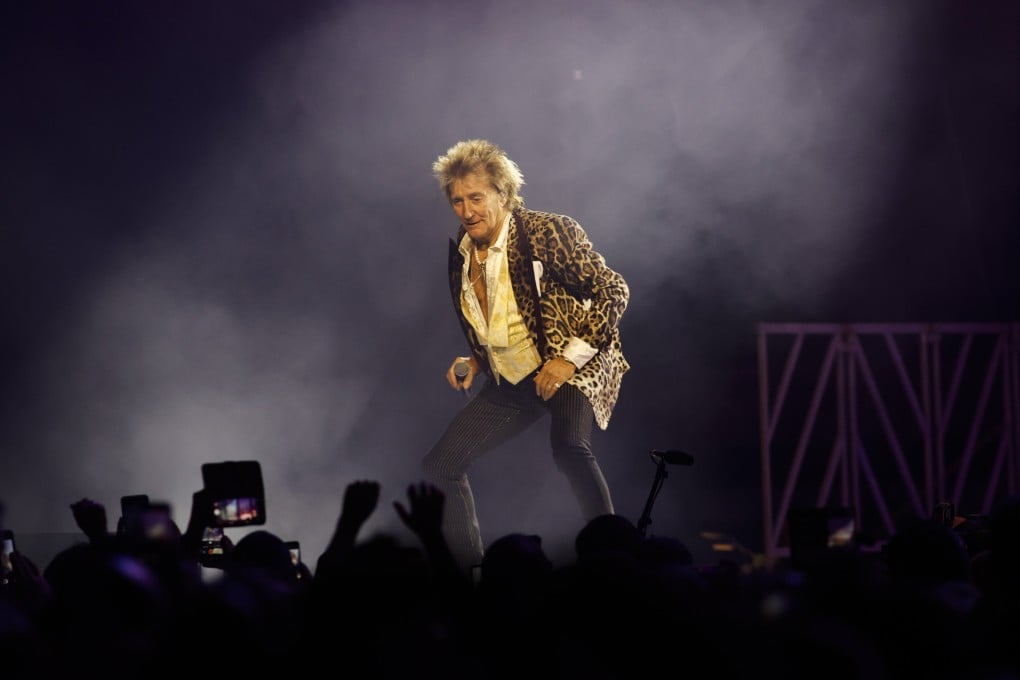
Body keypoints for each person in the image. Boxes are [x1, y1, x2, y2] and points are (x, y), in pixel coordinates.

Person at [423, 139, 630, 572]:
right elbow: (501, 315)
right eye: (457, 200)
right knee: (441, 465)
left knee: (570, 446)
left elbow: (613, 290)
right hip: (512, 379)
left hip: (569, 364)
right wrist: (476, 359)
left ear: (503, 194)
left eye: (476, 198)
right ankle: (474, 576)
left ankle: (616, 562)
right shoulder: (462, 251)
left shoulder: (545, 231)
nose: (466, 210)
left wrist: (568, 360)